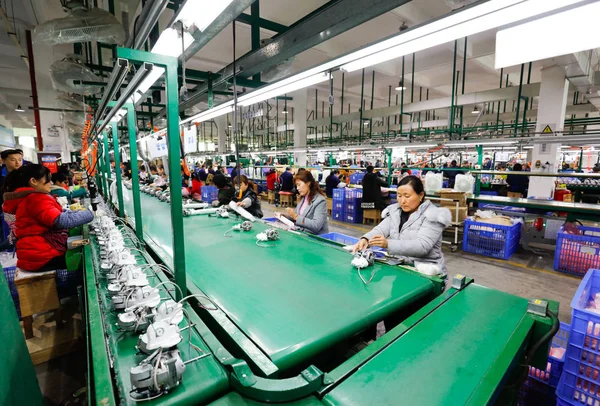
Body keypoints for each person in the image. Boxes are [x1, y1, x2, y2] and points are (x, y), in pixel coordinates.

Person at [2, 164, 94, 271]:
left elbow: (58, 214)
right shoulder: (36, 198)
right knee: (85, 261)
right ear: (34, 181)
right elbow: (61, 221)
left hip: (32, 255)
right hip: (42, 256)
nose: (51, 183)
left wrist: (75, 213)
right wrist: (89, 214)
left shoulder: (28, 197)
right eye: (48, 179)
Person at [354, 176, 451, 274]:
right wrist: (366, 239)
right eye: (399, 196)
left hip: (427, 271)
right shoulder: (395, 211)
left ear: (421, 195)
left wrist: (388, 244)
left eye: (407, 196)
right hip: (401, 266)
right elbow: (381, 229)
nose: (402, 201)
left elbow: (422, 246)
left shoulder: (433, 215)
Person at [282, 170, 328, 234]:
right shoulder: (303, 198)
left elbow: (316, 225)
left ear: (308, 183)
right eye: (296, 185)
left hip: (315, 238)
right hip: (303, 234)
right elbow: (298, 217)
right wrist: (285, 216)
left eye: (299, 185)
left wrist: (295, 216)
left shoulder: (320, 201)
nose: (297, 188)